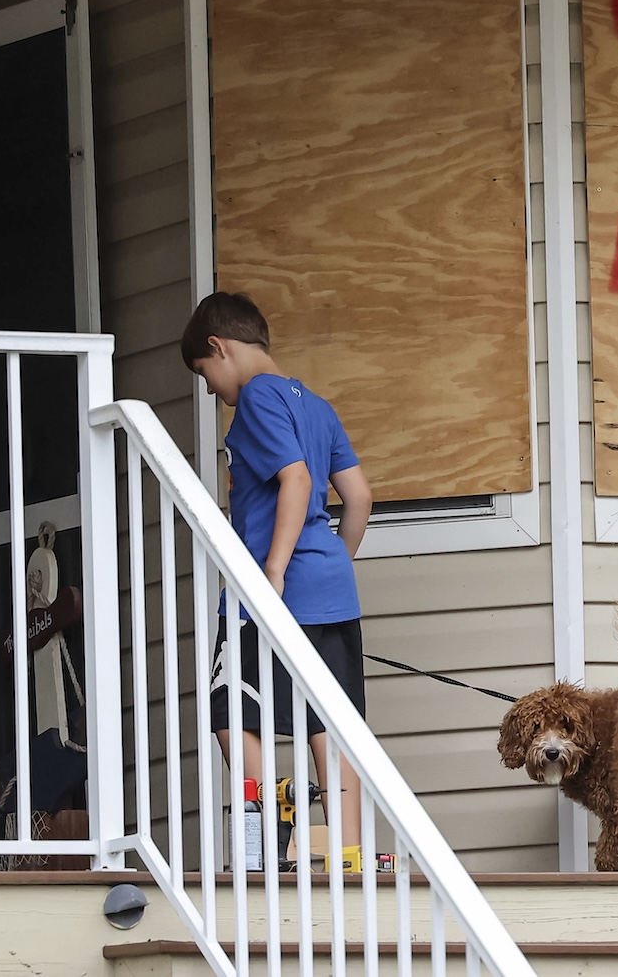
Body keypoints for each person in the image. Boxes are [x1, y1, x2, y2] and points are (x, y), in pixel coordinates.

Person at [180, 291, 373, 872]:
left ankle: (274, 834)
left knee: (231, 711)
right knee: (329, 724)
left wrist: (274, 572)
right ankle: (346, 852)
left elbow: (293, 480)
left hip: (272, 591)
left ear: (219, 348)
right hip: (331, 588)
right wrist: (329, 567)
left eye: (205, 375)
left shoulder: (258, 399)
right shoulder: (315, 404)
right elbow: (359, 498)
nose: (212, 391)